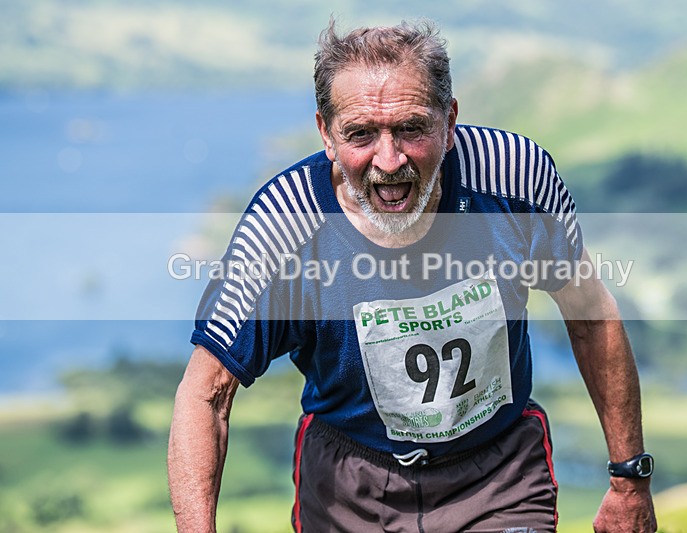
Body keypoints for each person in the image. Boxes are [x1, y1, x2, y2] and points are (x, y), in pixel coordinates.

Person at [168, 19, 657, 533]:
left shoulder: (514, 178)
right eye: (360, 134)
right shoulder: (284, 226)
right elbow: (205, 393)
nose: (389, 160)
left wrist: (630, 481)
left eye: (411, 129)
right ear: (326, 134)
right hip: (347, 488)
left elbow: (590, 314)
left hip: (497, 474)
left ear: (450, 123)